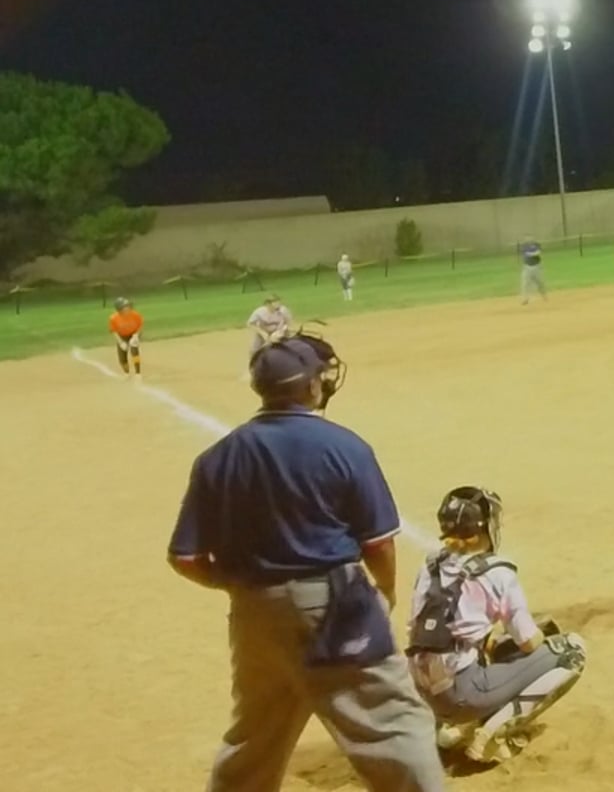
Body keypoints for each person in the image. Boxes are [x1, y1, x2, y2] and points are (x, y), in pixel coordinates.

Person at [167, 334, 443, 792]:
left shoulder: (217, 457)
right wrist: (386, 591)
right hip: (335, 605)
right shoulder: (344, 447)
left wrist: (241, 585)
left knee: (257, 733)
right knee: (394, 724)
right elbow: (378, 544)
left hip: (255, 615)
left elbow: (186, 557)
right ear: (312, 385)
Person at [405, 487, 587, 766]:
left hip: (422, 692)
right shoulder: (498, 573)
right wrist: (542, 634)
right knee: (571, 651)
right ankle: (491, 735)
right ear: (483, 529)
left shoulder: (430, 566)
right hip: (463, 694)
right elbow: (528, 642)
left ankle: (443, 732)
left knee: (481, 644)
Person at [245, 295, 294, 379]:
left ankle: (288, 368)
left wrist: (280, 332)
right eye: (275, 302)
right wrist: (263, 333)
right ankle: (253, 370)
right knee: (254, 350)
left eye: (278, 302)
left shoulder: (283, 310)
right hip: (263, 332)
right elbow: (250, 324)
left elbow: (288, 323)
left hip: (280, 331)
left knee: (287, 349)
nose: (278, 304)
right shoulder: (259, 312)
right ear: (268, 304)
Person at [108, 296, 144, 381]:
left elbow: (140, 326)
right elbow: (114, 331)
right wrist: (121, 342)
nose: (127, 308)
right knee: (122, 358)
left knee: (134, 350)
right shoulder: (113, 318)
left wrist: (136, 336)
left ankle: (138, 373)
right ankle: (126, 373)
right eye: (125, 306)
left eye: (127, 306)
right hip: (122, 336)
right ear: (119, 309)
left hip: (133, 334)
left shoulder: (135, 315)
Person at [517, 237, 547, 305]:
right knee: (525, 283)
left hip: (537, 267)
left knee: (540, 283)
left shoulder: (536, 244)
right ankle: (525, 298)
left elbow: (538, 253)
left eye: (530, 237)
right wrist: (533, 253)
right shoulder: (524, 246)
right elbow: (526, 253)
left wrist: (531, 254)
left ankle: (544, 295)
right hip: (527, 267)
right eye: (527, 238)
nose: (528, 239)